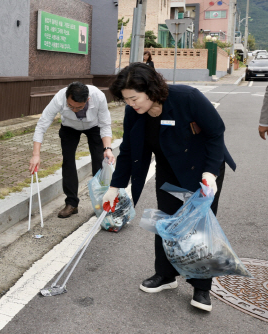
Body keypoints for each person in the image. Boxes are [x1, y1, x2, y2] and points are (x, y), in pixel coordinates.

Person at [103, 62, 236, 312]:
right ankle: (165, 276)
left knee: (199, 226)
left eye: (134, 98)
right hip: (169, 168)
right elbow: (130, 149)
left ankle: (201, 287)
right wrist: (116, 186)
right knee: (166, 222)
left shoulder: (187, 98)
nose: (131, 104)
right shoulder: (135, 112)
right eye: (126, 100)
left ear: (151, 89)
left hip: (203, 169)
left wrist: (209, 173)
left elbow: (216, 133)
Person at [29, 82, 115, 218]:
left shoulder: (98, 96)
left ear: (88, 100)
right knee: (68, 162)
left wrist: (108, 149)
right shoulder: (59, 98)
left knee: (99, 161)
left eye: (79, 107)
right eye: (70, 106)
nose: (74, 110)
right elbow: (42, 124)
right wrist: (36, 154)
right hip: (69, 127)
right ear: (66, 98)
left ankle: (101, 202)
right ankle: (72, 203)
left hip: (94, 126)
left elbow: (105, 124)